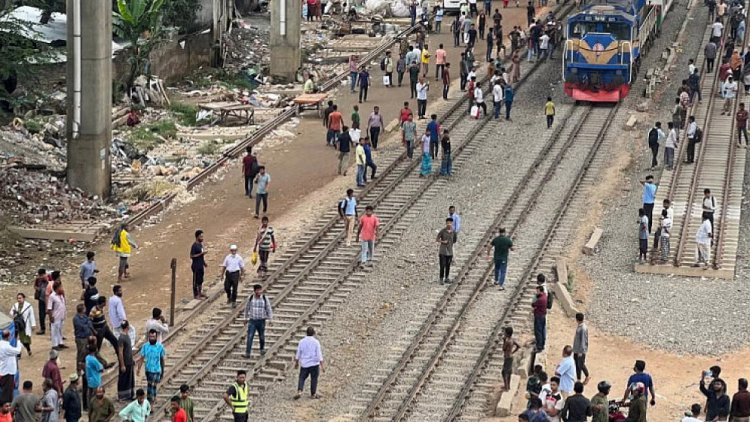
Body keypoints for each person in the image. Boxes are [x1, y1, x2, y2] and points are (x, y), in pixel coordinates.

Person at [294, 327, 324, 400]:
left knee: (302, 377)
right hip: (314, 364)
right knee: (314, 378)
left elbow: (298, 353)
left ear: (306, 333)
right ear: (313, 333)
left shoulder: (301, 341)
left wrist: (296, 363)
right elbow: (319, 354)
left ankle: (300, 390)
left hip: (304, 363)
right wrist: (322, 365)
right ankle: (313, 394)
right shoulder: (316, 342)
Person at [244, 284, 273, 358]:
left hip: (261, 320)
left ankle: (262, 349)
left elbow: (268, 308)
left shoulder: (264, 298)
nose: (259, 291)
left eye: (260, 290)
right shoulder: (250, 298)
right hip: (252, 320)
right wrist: (245, 318)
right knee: (250, 336)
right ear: (255, 291)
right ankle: (248, 353)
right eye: (258, 290)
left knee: (261, 336)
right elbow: (246, 308)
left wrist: (270, 319)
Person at [138, 329, 166, 404]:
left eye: (153, 337)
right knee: (152, 386)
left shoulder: (160, 347)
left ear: (156, 337)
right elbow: (141, 358)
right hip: (148, 370)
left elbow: (162, 359)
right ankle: (153, 398)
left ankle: (150, 403)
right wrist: (138, 369)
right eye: (150, 336)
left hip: (157, 370)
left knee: (151, 386)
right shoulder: (145, 346)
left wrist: (162, 371)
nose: (152, 338)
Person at [0, 330, 20, 405]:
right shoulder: (6, 347)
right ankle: (5, 408)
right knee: (7, 393)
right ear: (9, 336)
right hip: (7, 372)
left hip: (3, 370)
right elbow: (18, 351)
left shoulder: (2, 344)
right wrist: (18, 342)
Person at [117, 321, 135, 401]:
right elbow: (120, 352)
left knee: (129, 379)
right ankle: (123, 396)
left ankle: (129, 395)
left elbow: (128, 350)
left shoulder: (126, 336)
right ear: (127, 327)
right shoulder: (121, 338)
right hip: (125, 362)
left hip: (129, 361)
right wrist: (122, 364)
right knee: (124, 379)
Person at [436, 218, 457, 284]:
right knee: (442, 265)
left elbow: (454, 240)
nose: (449, 224)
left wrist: (450, 244)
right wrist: (443, 241)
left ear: (452, 224)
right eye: (448, 223)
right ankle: (441, 278)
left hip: (450, 251)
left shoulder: (454, 232)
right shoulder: (442, 231)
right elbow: (437, 239)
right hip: (443, 251)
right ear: (446, 223)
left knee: (448, 265)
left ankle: (447, 278)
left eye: (450, 223)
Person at [47, 282, 67, 350]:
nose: (62, 288)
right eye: (60, 287)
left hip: (61, 316)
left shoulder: (61, 295)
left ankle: (60, 343)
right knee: (54, 331)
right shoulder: (52, 296)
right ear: (57, 288)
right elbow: (49, 308)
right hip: (55, 316)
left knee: (60, 330)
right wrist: (50, 317)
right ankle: (54, 345)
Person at [572, 313, 590, 385]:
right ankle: (578, 379)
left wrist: (581, 351)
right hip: (577, 349)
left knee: (581, 364)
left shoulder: (583, 328)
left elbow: (583, 340)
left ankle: (587, 375)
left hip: (580, 350)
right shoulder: (581, 326)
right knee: (577, 364)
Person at [501, 327, 520, 391]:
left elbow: (503, 349)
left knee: (504, 372)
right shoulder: (512, 340)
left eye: (505, 332)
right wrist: (513, 352)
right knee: (509, 372)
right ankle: (508, 386)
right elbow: (518, 346)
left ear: (507, 333)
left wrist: (504, 341)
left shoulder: (507, 341)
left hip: (507, 357)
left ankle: (506, 387)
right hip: (511, 356)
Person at [33, 268, 49, 335]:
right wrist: (38, 289)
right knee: (41, 314)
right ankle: (42, 329)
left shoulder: (49, 278)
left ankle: (53, 329)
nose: (41, 277)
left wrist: (47, 280)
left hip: (49, 299)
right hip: (41, 298)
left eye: (42, 275)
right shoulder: (38, 279)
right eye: (40, 275)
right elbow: (35, 286)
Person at [532, 286, 547, 352]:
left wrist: (535, 298)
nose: (536, 292)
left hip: (539, 316)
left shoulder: (540, 299)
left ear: (540, 291)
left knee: (538, 331)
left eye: (537, 291)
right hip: (542, 316)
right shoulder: (545, 296)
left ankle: (539, 346)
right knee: (542, 330)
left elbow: (533, 304)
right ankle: (542, 344)